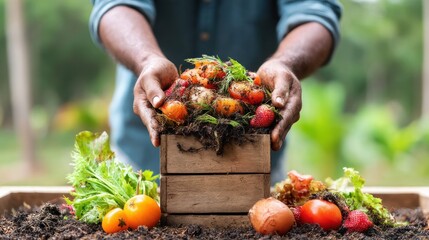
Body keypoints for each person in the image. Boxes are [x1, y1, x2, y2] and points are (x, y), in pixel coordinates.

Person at [89, 0, 342, 185]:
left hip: (251, 166)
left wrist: (285, 63)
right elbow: (115, 5)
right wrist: (146, 60)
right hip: (142, 160)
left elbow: (315, 13)